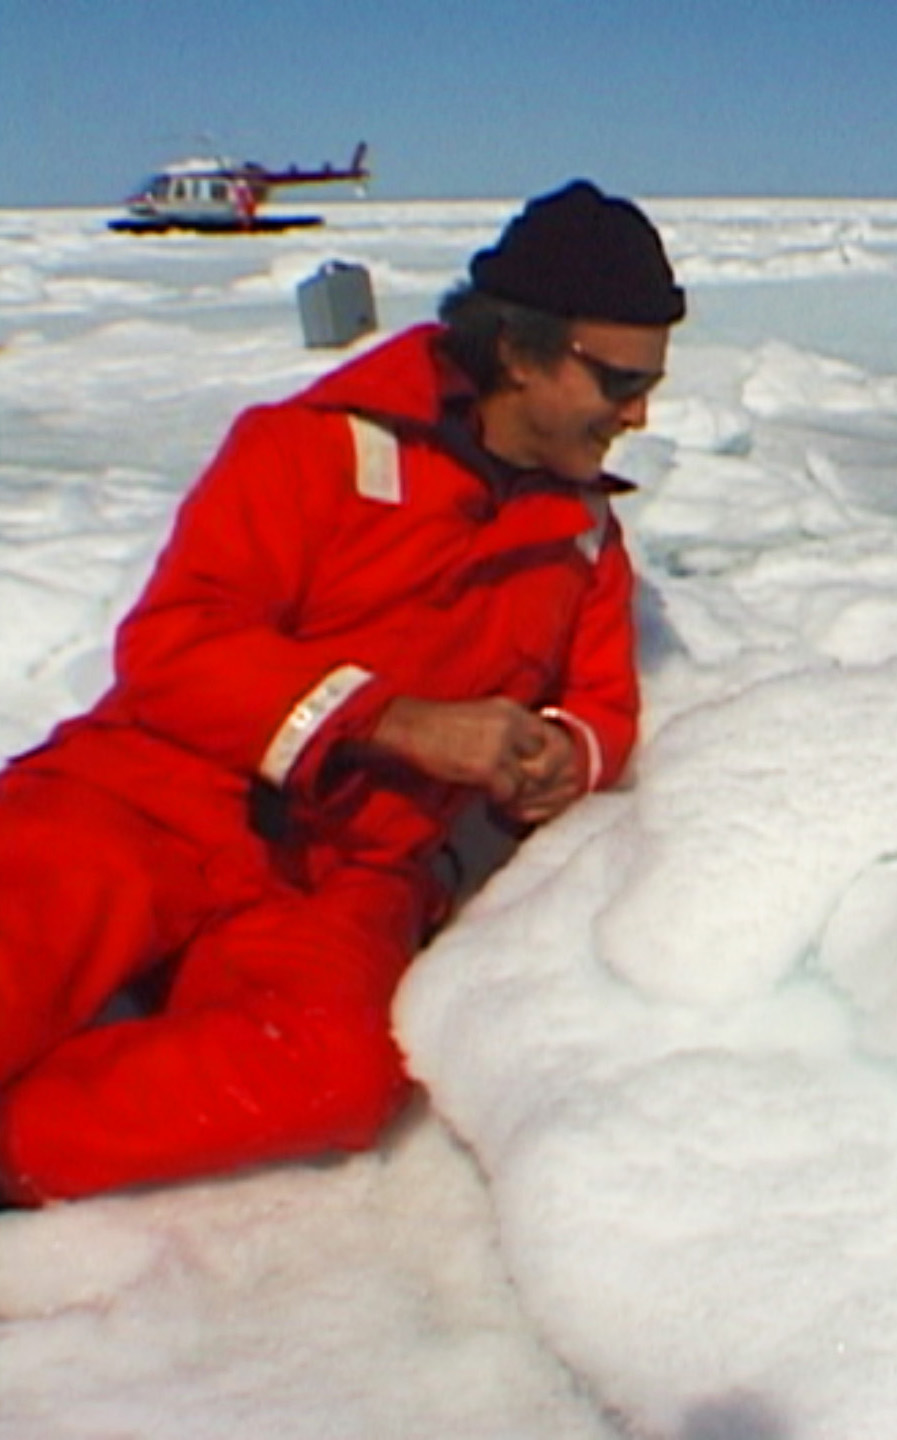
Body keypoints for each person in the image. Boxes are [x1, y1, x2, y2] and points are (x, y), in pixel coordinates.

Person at [0, 180, 684, 1205]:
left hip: (350, 869)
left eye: (648, 384)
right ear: (520, 351)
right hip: (145, 796)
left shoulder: (584, 537)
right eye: (617, 380)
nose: (637, 414)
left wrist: (561, 755)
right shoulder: (308, 448)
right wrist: (395, 722)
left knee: (335, 1073)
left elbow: (601, 707)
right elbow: (175, 646)